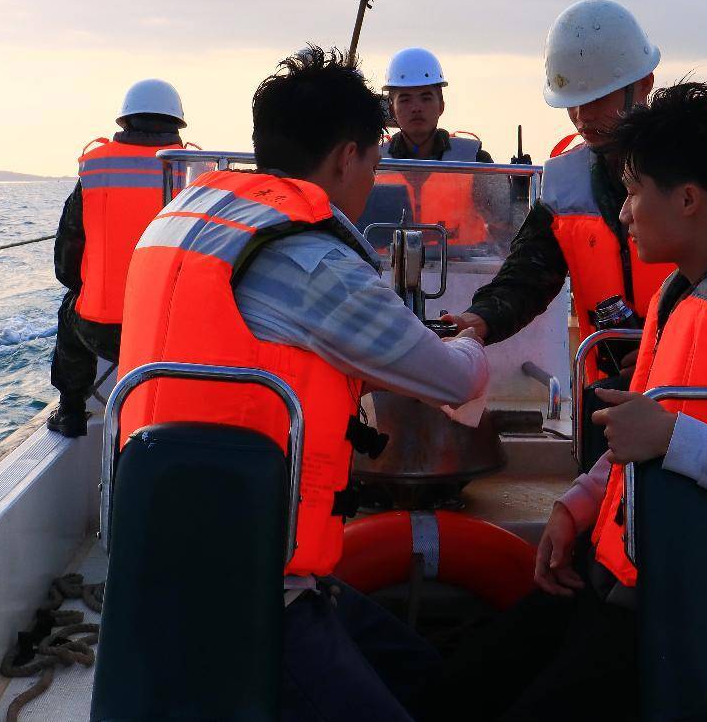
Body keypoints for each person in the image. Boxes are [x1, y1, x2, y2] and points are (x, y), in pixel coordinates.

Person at [418, 81, 707, 721]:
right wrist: (577, 506)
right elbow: (644, 427)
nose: (622, 213)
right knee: (461, 684)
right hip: (619, 571)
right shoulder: (680, 297)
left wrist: (676, 439)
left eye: (632, 192)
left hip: (689, 608)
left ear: (688, 200)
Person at [115, 45, 490, 721]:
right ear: (348, 156)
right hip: (257, 591)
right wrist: (474, 335)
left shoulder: (185, 220)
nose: (371, 177)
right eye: (374, 163)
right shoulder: (314, 263)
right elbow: (453, 382)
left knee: (426, 674)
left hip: (159, 547)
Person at [445, 0, 707, 378]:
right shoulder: (565, 185)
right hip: (607, 399)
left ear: (644, 85)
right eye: (573, 104)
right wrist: (480, 319)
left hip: (700, 394)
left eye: (598, 99)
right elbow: (526, 278)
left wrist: (667, 347)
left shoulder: (703, 167)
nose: (583, 117)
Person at [46, 78, 186, 437]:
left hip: (102, 330)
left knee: (70, 309)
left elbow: (67, 257)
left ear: (123, 122)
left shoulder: (96, 170)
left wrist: (87, 289)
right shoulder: (194, 172)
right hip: (173, 334)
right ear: (178, 125)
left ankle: (72, 412)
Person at [364, 47, 503, 247]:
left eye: (426, 97)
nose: (416, 107)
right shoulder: (373, 162)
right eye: (405, 99)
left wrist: (519, 193)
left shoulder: (475, 160)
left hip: (465, 274)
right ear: (392, 108)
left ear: (441, 105)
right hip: (387, 274)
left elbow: (506, 225)